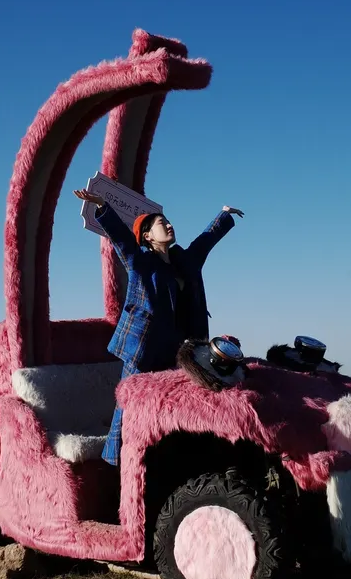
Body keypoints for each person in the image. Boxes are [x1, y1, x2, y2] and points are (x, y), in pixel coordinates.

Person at [73, 188, 244, 465]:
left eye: (169, 221)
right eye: (161, 223)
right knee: (129, 409)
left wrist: (223, 216)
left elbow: (204, 243)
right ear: (148, 236)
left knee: (173, 407)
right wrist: (103, 206)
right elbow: (122, 241)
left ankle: (171, 458)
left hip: (177, 349)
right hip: (145, 348)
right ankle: (117, 465)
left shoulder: (183, 263)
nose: (169, 224)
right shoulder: (141, 262)